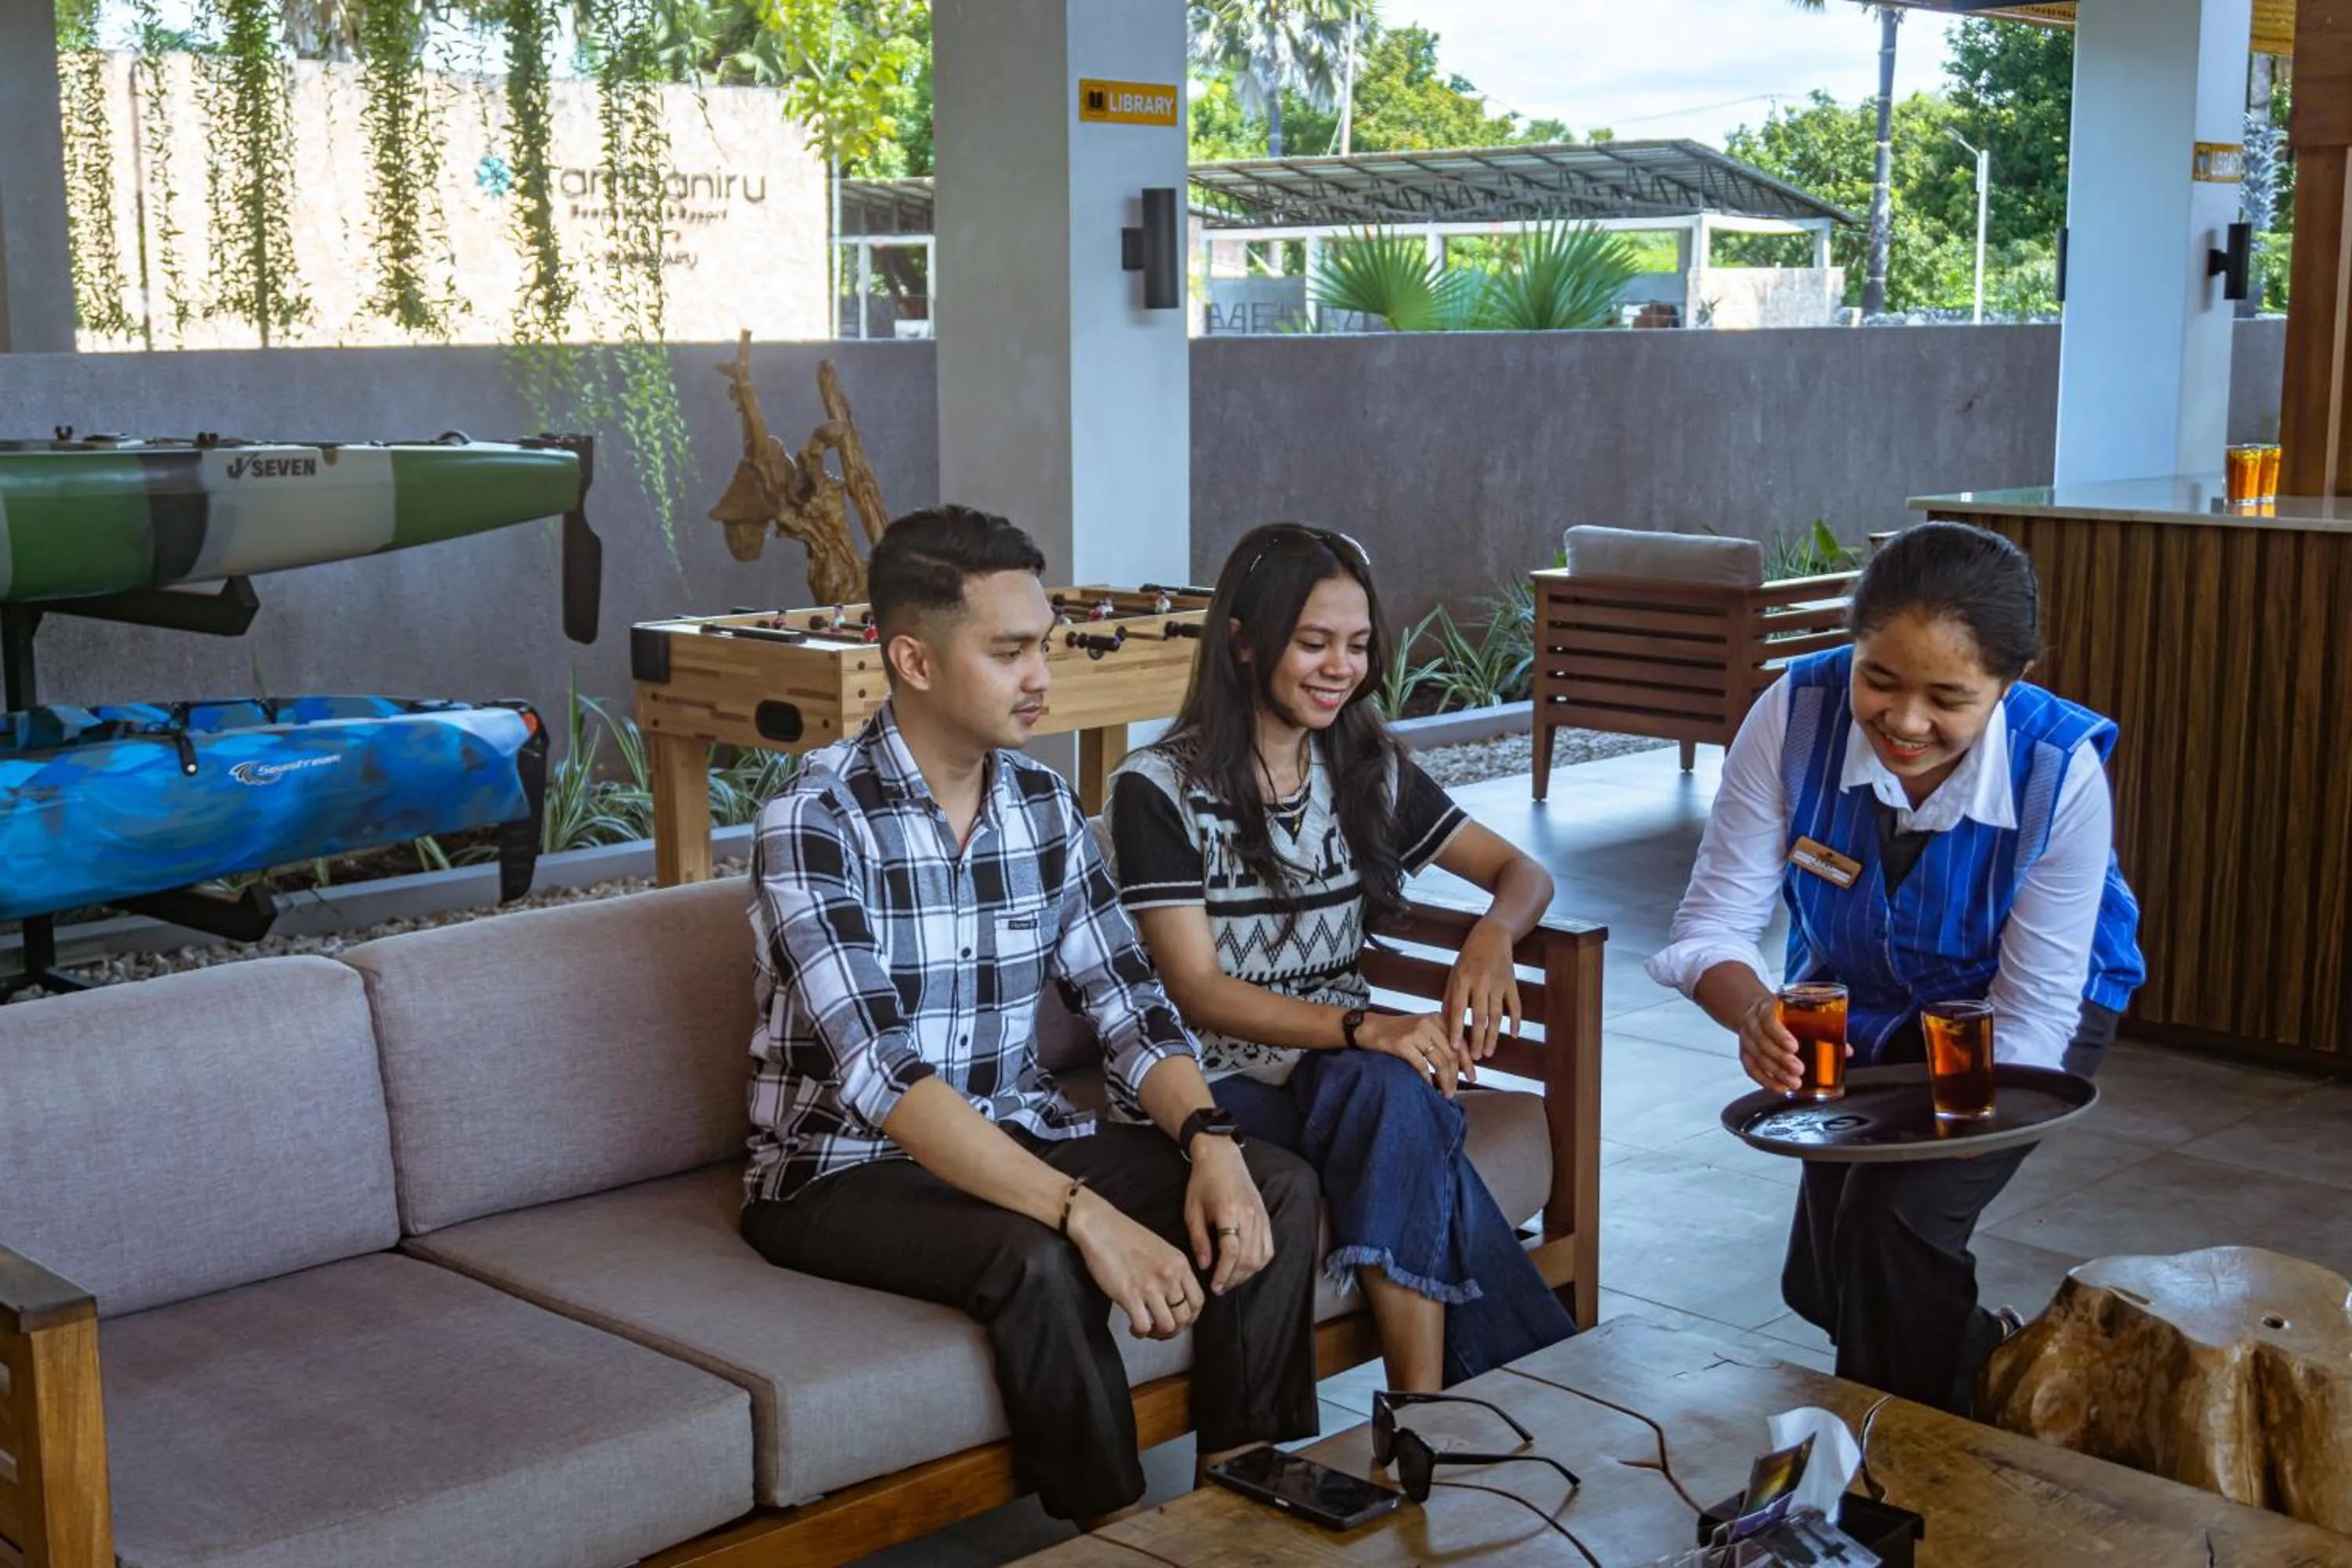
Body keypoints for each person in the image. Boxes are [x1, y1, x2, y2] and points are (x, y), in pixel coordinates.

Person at [739, 506, 1322, 1526]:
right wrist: (1080, 1210)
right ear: (914, 661)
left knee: (1271, 1185)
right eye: (1009, 651)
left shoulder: (1044, 810)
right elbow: (883, 1077)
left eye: (1042, 646)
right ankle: (1119, 1537)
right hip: (839, 1174)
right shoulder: (813, 818)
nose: (1041, 675)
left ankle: (1242, 1506)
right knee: (1037, 1257)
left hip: (1013, 1134)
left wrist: (1212, 1142)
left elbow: (1133, 1008)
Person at [1647, 521, 2143, 1412]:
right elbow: (1710, 923)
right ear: (1853, 648)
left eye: (1948, 696)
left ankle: (1883, 1492)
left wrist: (1930, 1142)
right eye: (1878, 678)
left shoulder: (2057, 770)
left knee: (1893, 1227)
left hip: (2029, 1017)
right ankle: (1988, 1366)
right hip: (1855, 997)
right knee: (1831, 1281)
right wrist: (1754, 1009)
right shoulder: (1795, 714)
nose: (1904, 723)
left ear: (2009, 683)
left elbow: (2032, 1017)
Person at [1109, 522, 1577, 1394]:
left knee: (1389, 1093)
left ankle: (1420, 1411)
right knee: (1398, 1100)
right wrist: (1367, 1026)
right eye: (1313, 642)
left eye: (1358, 645)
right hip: (1215, 1080)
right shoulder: (1157, 786)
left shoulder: (1364, 766)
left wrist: (1492, 932)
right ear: (1244, 642)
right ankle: (1497, 1399)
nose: (1341, 667)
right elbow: (1198, 991)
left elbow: (1523, 871)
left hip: (1341, 1069)